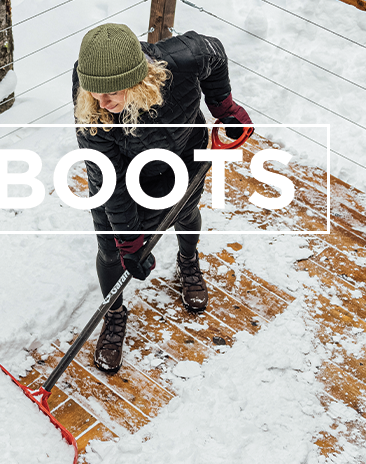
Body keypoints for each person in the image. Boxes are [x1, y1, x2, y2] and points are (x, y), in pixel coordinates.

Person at [72, 22, 252, 373]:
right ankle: (114, 313)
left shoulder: (182, 61)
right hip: (122, 171)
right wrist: (129, 240)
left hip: (184, 153)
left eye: (111, 92)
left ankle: (187, 261)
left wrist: (223, 105)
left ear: (138, 78)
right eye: (95, 92)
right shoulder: (91, 103)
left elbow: (214, 53)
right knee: (111, 250)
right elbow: (110, 178)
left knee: (186, 214)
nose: (101, 101)